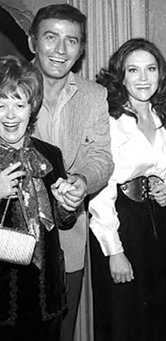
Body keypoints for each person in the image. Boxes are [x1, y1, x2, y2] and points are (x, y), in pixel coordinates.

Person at [27, 4, 114, 341]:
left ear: (81, 50)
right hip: (11, 241)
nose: (61, 50)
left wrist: (83, 181)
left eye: (72, 41)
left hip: (67, 240)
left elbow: (101, 158)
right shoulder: (7, 88)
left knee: (60, 331)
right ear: (33, 42)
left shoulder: (94, 96)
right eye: (51, 37)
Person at [89, 37, 166, 341]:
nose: (143, 78)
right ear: (121, 76)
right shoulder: (110, 120)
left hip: (157, 226)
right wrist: (114, 251)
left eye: (150, 69)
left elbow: (165, 169)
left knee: (159, 312)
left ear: (160, 73)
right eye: (133, 70)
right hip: (121, 224)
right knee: (125, 319)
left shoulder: (161, 117)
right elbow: (101, 192)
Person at [0, 55, 77, 341]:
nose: (10, 115)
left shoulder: (50, 154)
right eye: (1, 105)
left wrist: (67, 205)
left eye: (19, 105)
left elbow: (62, 222)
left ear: (32, 109)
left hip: (46, 296)